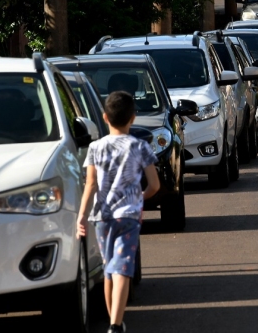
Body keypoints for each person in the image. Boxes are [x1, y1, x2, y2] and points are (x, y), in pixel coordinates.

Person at [77, 91, 160, 333]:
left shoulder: (95, 147)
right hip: (128, 216)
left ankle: (114, 320)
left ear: (104, 117)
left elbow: (90, 184)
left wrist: (82, 215)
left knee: (109, 268)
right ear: (133, 118)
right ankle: (115, 324)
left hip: (101, 217)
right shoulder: (140, 147)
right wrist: (139, 199)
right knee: (123, 267)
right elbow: (154, 185)